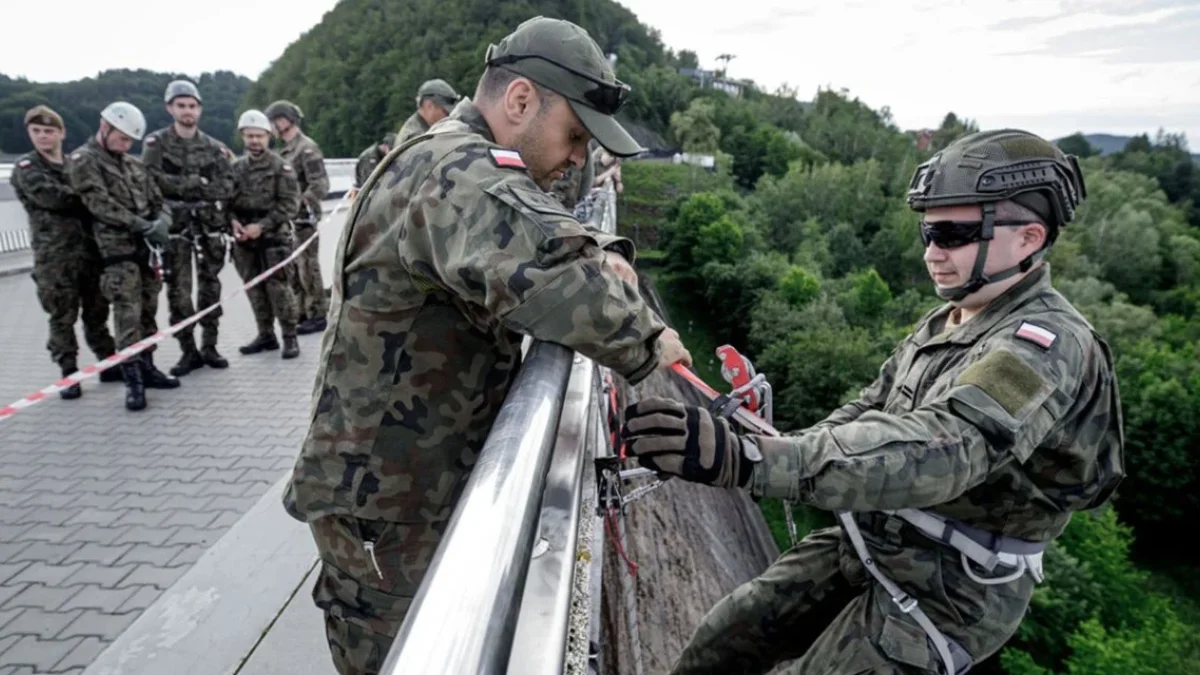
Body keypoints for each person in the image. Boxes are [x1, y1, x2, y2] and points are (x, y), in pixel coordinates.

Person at [621, 129, 1126, 675]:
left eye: (954, 232)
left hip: (950, 588)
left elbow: (945, 449)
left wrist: (756, 463)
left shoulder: (1044, 347)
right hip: (872, 539)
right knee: (725, 639)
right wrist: (756, 445)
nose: (933, 252)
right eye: (928, 230)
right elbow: (872, 406)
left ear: (1028, 238)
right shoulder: (954, 317)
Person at [282, 16, 691, 675]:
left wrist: (603, 250)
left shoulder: (454, 155)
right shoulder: (457, 171)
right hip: (386, 507)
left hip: (406, 484)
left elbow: (543, 225)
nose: (579, 157)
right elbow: (555, 275)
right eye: (576, 135)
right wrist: (651, 336)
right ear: (521, 101)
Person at [67, 102, 178, 411]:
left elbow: (159, 199)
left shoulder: (133, 165)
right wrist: (143, 225)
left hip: (145, 253)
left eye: (130, 141)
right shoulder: (84, 161)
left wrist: (162, 222)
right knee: (127, 316)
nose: (126, 145)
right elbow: (99, 204)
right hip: (116, 253)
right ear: (105, 127)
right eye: (122, 138)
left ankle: (148, 367)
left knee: (148, 313)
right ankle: (133, 381)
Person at [10, 104, 121, 398]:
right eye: (37, 131)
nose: (43, 137)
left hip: (90, 252)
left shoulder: (75, 164)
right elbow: (53, 198)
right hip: (55, 257)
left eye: (49, 131)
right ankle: (68, 372)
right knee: (62, 316)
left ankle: (108, 362)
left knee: (97, 311)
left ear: (62, 133)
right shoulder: (26, 168)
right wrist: (92, 198)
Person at [141, 80, 236, 376]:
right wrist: (194, 185)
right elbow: (149, 181)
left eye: (192, 106)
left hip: (208, 227)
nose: (187, 111)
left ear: (200, 110)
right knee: (179, 293)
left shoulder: (214, 148)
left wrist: (195, 191)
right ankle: (188, 351)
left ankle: (210, 346)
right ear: (170, 108)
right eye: (181, 106)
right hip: (175, 231)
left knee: (211, 287)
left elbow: (227, 184)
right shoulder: (156, 145)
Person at [228, 110, 303, 359]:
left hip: (274, 238)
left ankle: (290, 336)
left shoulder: (281, 167)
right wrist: (233, 222)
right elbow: (226, 201)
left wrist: (262, 226)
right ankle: (265, 334)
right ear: (242, 137)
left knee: (280, 289)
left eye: (259, 136)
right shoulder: (235, 168)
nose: (254, 141)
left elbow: (290, 204)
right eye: (249, 136)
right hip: (245, 242)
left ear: (268, 136)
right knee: (254, 289)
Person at [264, 99, 329, 336]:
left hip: (303, 220)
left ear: (284, 121)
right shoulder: (283, 150)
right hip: (287, 222)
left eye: (273, 122)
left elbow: (320, 184)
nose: (271, 128)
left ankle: (318, 313)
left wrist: (299, 202)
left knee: (308, 267)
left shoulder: (306, 148)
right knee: (293, 269)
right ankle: (301, 312)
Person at [394, 78, 460, 144]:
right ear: (429, 105)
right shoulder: (415, 137)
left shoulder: (426, 129)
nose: (449, 117)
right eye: (446, 112)